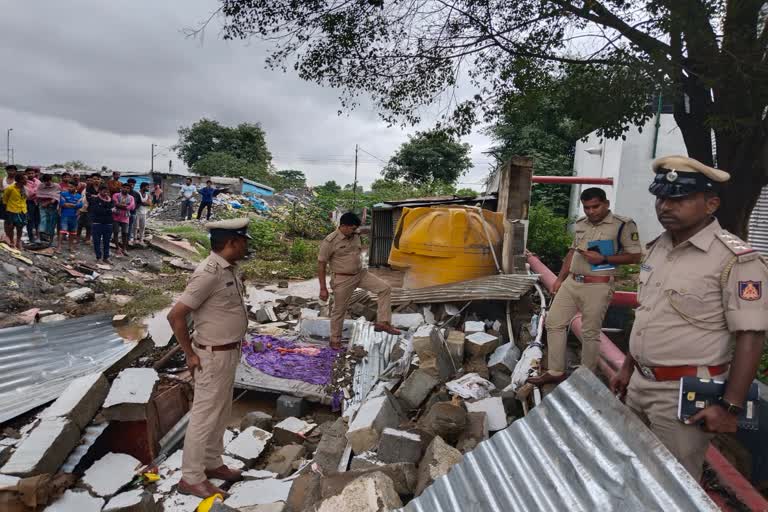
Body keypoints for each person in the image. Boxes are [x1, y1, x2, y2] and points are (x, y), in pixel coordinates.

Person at [610, 156, 768, 480]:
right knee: (631, 472)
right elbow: (648, 314)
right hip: (639, 383)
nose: (665, 206)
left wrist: (730, 407)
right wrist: (627, 368)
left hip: (683, 395)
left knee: (673, 487)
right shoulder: (657, 248)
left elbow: (751, 335)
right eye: (661, 197)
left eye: (678, 198)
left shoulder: (737, 260)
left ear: (711, 204)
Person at [166, 218, 252, 498]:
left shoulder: (229, 270)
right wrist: (189, 354)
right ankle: (191, 478)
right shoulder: (208, 273)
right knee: (204, 418)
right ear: (232, 243)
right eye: (243, 242)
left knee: (220, 412)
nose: (246, 246)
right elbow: (176, 316)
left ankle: (213, 463)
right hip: (211, 357)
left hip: (228, 353)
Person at [529, 187, 642, 386]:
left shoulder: (622, 225)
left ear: (606, 204)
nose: (591, 211)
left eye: (595, 206)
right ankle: (556, 371)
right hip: (572, 282)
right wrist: (559, 279)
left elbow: (635, 255)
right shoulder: (581, 224)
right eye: (587, 207)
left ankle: (585, 376)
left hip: (598, 286)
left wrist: (604, 258)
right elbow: (572, 253)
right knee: (553, 322)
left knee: (590, 332)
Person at [318, 212, 400, 349]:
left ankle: (383, 323)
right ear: (343, 226)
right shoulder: (330, 241)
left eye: (356, 228)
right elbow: (321, 265)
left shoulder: (355, 234)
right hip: (342, 279)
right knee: (339, 311)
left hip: (361, 274)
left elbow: (365, 229)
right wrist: (322, 288)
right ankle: (335, 341)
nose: (355, 231)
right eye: (352, 228)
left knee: (385, 288)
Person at [2, 173, 28, 250]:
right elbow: (5, 200)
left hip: (22, 210)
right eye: (24, 179)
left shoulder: (25, 189)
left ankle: (18, 241)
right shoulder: (10, 188)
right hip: (12, 210)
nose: (26, 180)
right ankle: (12, 241)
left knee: (20, 227)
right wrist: (6, 211)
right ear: (19, 180)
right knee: (11, 227)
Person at [89, 184, 114, 264]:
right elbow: (98, 211)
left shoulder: (111, 200)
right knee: (97, 241)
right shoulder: (95, 199)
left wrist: (106, 210)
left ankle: (106, 257)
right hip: (97, 223)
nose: (106, 193)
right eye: (104, 191)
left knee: (107, 242)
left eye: (107, 191)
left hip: (108, 223)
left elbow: (113, 209)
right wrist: (109, 210)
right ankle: (98, 257)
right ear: (99, 191)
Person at [58, 182, 83, 256]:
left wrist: (70, 204)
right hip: (65, 215)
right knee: (63, 231)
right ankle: (59, 247)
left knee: (73, 232)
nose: (69, 188)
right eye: (69, 187)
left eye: (71, 187)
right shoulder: (63, 194)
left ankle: (71, 247)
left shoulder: (79, 196)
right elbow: (62, 203)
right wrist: (74, 205)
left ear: (76, 187)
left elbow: (80, 205)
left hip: (74, 216)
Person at [37, 174, 61, 246]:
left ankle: (50, 241)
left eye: (48, 181)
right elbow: (38, 194)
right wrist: (43, 203)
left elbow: (57, 196)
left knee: (52, 223)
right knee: (43, 221)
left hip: (52, 206)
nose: (47, 183)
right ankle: (42, 239)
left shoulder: (56, 186)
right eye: (45, 181)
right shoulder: (41, 186)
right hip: (42, 205)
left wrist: (50, 201)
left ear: (51, 180)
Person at [112, 182, 135, 257]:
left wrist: (123, 206)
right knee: (115, 232)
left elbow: (132, 207)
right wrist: (125, 206)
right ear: (121, 188)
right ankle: (117, 248)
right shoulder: (116, 195)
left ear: (129, 189)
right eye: (124, 187)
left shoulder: (131, 197)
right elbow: (116, 203)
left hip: (125, 217)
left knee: (125, 233)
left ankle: (124, 248)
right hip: (116, 216)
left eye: (128, 188)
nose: (126, 189)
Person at [77, 175, 99, 241]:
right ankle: (77, 237)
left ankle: (88, 237)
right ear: (86, 181)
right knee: (79, 223)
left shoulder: (96, 189)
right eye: (88, 180)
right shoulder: (83, 188)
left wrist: (93, 197)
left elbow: (96, 198)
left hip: (90, 209)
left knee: (89, 224)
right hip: (82, 208)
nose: (89, 181)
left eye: (91, 180)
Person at [1, 165, 18, 240]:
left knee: (13, 221)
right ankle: (7, 236)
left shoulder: (17, 181)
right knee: (6, 220)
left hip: (14, 203)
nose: (11, 172)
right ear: (7, 171)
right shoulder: (2, 179)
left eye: (12, 170)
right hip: (4, 202)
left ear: (15, 171)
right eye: (9, 170)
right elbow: (1, 189)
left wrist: (6, 190)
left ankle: (12, 237)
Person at [24, 167, 41, 243]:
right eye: (29, 173)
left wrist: (35, 192)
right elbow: (29, 194)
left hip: (37, 202)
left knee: (38, 220)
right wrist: (36, 191)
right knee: (30, 220)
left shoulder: (38, 181)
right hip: (29, 202)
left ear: (35, 174)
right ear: (26, 174)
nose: (31, 174)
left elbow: (41, 191)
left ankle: (38, 236)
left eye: (32, 173)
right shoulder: (24, 182)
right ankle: (31, 237)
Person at [126, 178, 142, 243]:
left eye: (133, 184)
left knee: (130, 226)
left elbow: (139, 202)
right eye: (131, 184)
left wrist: (135, 207)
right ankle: (121, 238)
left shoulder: (136, 193)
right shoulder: (123, 193)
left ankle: (128, 239)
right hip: (123, 212)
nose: (132, 185)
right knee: (122, 226)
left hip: (132, 212)